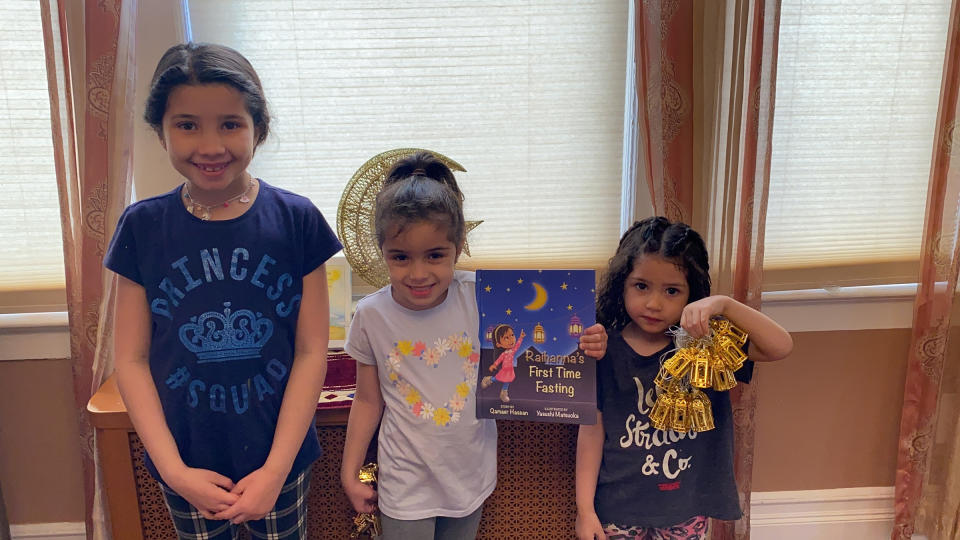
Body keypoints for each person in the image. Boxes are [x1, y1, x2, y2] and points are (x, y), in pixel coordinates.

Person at [105, 42, 342, 540]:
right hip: (185, 462)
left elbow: (310, 350)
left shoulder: (296, 221)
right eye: (187, 124)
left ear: (259, 127)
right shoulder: (142, 227)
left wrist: (275, 472)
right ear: (160, 130)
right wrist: (172, 470)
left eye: (230, 124)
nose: (210, 146)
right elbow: (129, 359)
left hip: (278, 460)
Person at [340, 151, 607, 540]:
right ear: (382, 250)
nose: (418, 273)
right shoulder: (370, 315)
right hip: (404, 483)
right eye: (400, 257)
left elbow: (551, 335)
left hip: (470, 480)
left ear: (459, 245)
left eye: (435, 255)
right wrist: (349, 472)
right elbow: (367, 400)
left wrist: (588, 342)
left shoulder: (481, 296)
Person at [575, 217, 793, 540]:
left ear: (692, 294)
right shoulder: (604, 349)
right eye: (641, 286)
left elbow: (781, 345)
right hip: (618, 510)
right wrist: (585, 511)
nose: (653, 303)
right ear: (622, 283)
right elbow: (591, 432)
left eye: (672, 291)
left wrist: (725, 305)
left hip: (687, 509)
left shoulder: (709, 346)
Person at [480, 323, 526, 402]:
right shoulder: (504, 354)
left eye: (512, 335)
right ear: (498, 344)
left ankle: (504, 393)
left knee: (508, 380)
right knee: (498, 379)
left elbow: (517, 345)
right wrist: (494, 365)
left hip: (510, 370)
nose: (511, 339)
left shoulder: (512, 351)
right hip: (504, 370)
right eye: (506, 338)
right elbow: (499, 360)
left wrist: (521, 337)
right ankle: (489, 379)